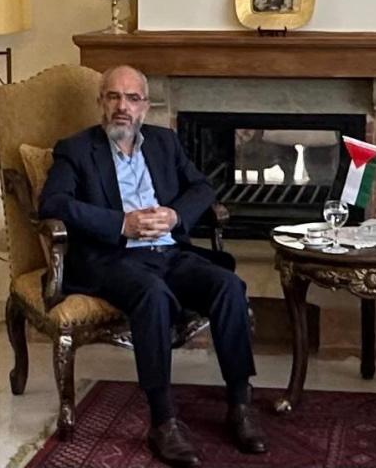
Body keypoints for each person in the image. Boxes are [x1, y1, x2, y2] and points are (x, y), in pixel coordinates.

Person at [40, 65, 266, 468]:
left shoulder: (164, 142)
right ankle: (163, 421)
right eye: (113, 96)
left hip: (170, 253)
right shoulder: (75, 149)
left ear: (145, 106)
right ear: (100, 102)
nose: (122, 106)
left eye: (132, 98)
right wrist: (120, 224)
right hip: (114, 257)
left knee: (228, 285)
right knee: (153, 294)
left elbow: (202, 187)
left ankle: (239, 405)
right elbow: (53, 203)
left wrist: (176, 216)